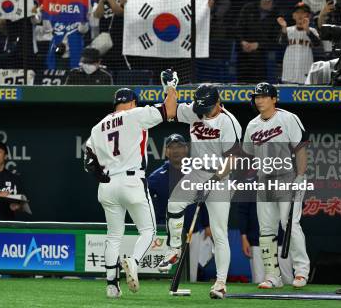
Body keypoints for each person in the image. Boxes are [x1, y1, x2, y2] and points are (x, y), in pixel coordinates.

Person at [84, 76, 178, 298]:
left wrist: (102, 175)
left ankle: (111, 286)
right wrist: (171, 87)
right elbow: (170, 110)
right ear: (133, 103)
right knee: (148, 231)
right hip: (132, 180)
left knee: (113, 235)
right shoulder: (135, 114)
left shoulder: (97, 127)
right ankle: (133, 262)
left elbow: (88, 161)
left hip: (107, 185)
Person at [158, 83, 243, 299]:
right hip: (197, 173)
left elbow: (232, 159)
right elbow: (170, 109)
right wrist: (170, 88)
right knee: (174, 202)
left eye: (206, 107)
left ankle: (220, 283)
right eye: (200, 106)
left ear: (217, 102)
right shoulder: (194, 110)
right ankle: (175, 249)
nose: (202, 111)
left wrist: (215, 179)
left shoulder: (229, 122)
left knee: (219, 231)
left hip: (221, 176)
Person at [242, 82, 311, 289]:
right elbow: (249, 154)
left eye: (264, 96)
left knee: (289, 224)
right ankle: (272, 276)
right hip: (264, 181)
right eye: (257, 97)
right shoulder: (252, 125)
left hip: (288, 177)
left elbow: (300, 149)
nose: (259, 100)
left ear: (274, 99)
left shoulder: (288, 118)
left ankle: (301, 272)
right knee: (266, 230)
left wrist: (300, 176)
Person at [147, 134, 212, 283]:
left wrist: (208, 225)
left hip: (192, 231)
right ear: (166, 152)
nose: (176, 151)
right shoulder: (156, 177)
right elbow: (147, 205)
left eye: (179, 147)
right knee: (164, 276)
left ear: (186, 149)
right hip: (166, 232)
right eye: (171, 147)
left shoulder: (197, 173)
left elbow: (204, 201)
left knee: (191, 275)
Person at [237, 0, 283, 83]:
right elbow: (238, 30)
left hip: (264, 56)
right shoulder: (248, 8)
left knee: (258, 57)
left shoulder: (278, 15)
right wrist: (242, 42)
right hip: (244, 54)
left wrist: (258, 45)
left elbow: (277, 41)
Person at [92, 0, 128, 72]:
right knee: (104, 69)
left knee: (120, 69)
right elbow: (97, 14)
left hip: (120, 40)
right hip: (104, 41)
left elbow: (120, 12)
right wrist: (103, 0)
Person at [278, 2, 321, 84]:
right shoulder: (288, 30)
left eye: (303, 12)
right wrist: (283, 28)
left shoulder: (312, 30)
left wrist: (307, 29)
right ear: (293, 16)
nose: (300, 15)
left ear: (309, 16)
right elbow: (282, 43)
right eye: (297, 12)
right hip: (289, 71)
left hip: (305, 69)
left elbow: (317, 44)